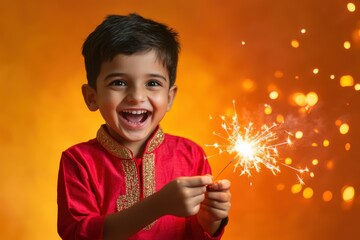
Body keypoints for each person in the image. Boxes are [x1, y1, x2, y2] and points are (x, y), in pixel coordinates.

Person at [57, 13, 231, 240]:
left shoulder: (191, 154)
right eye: (119, 83)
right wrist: (157, 205)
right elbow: (78, 234)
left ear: (169, 97)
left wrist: (209, 221)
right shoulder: (78, 161)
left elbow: (194, 234)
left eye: (152, 83)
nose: (136, 96)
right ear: (92, 97)